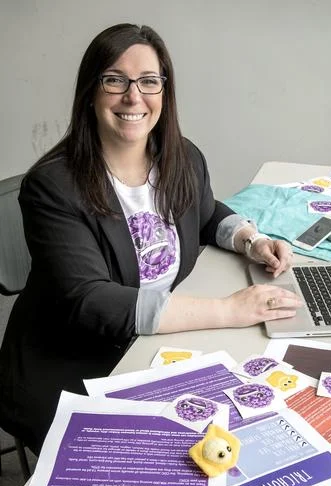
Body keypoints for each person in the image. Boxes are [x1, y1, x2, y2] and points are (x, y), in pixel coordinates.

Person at [0, 23, 302, 455]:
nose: (133, 96)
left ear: (165, 91)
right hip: (75, 362)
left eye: (148, 81)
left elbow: (206, 212)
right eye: (114, 80)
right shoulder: (53, 187)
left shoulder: (179, 156)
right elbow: (92, 300)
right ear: (91, 91)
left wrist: (251, 241)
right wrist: (227, 310)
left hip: (153, 342)